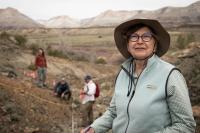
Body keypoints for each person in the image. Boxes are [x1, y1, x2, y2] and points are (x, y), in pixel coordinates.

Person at [85, 19, 196, 133]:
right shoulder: (123, 73)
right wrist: (94, 128)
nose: (139, 41)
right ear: (128, 45)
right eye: (134, 36)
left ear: (155, 45)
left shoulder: (170, 75)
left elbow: (185, 125)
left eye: (146, 36)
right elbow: (114, 111)